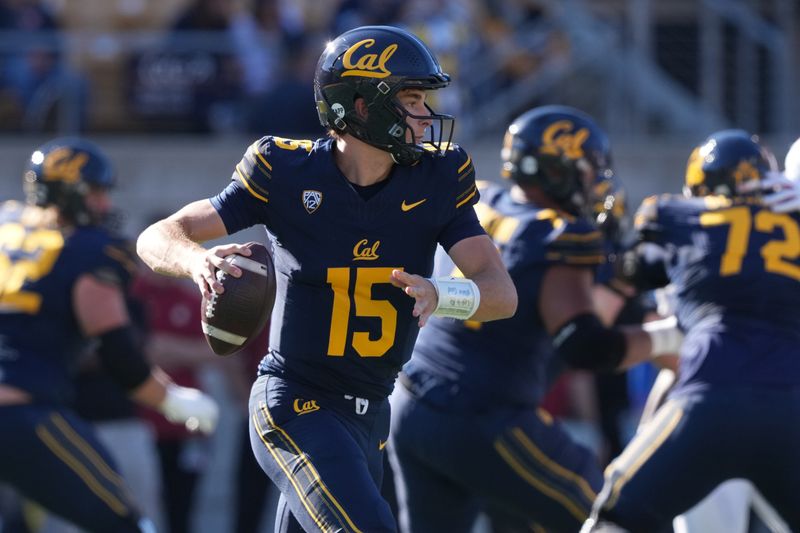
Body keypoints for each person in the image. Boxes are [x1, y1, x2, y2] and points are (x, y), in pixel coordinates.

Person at [136, 25, 517, 533]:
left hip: (372, 413)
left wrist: (441, 294)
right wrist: (197, 262)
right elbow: (159, 235)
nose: (427, 115)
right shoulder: (286, 170)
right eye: (412, 99)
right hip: (295, 401)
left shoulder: (438, 179)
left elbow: (501, 293)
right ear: (362, 105)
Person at [387, 105, 682, 533]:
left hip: (412, 403)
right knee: (618, 513)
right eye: (586, 169)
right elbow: (585, 343)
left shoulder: (485, 197)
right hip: (482, 415)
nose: (595, 180)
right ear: (554, 170)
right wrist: (671, 336)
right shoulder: (561, 234)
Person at [582, 129, 800, 532]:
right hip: (790, 405)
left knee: (616, 514)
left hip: (711, 398)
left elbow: (602, 313)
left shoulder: (674, 218)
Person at [0, 137, 220, 532]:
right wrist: (171, 401)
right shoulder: (88, 249)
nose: (104, 205)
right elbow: (119, 353)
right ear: (73, 195)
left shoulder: (6, 226)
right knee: (125, 523)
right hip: (20, 414)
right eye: (97, 193)